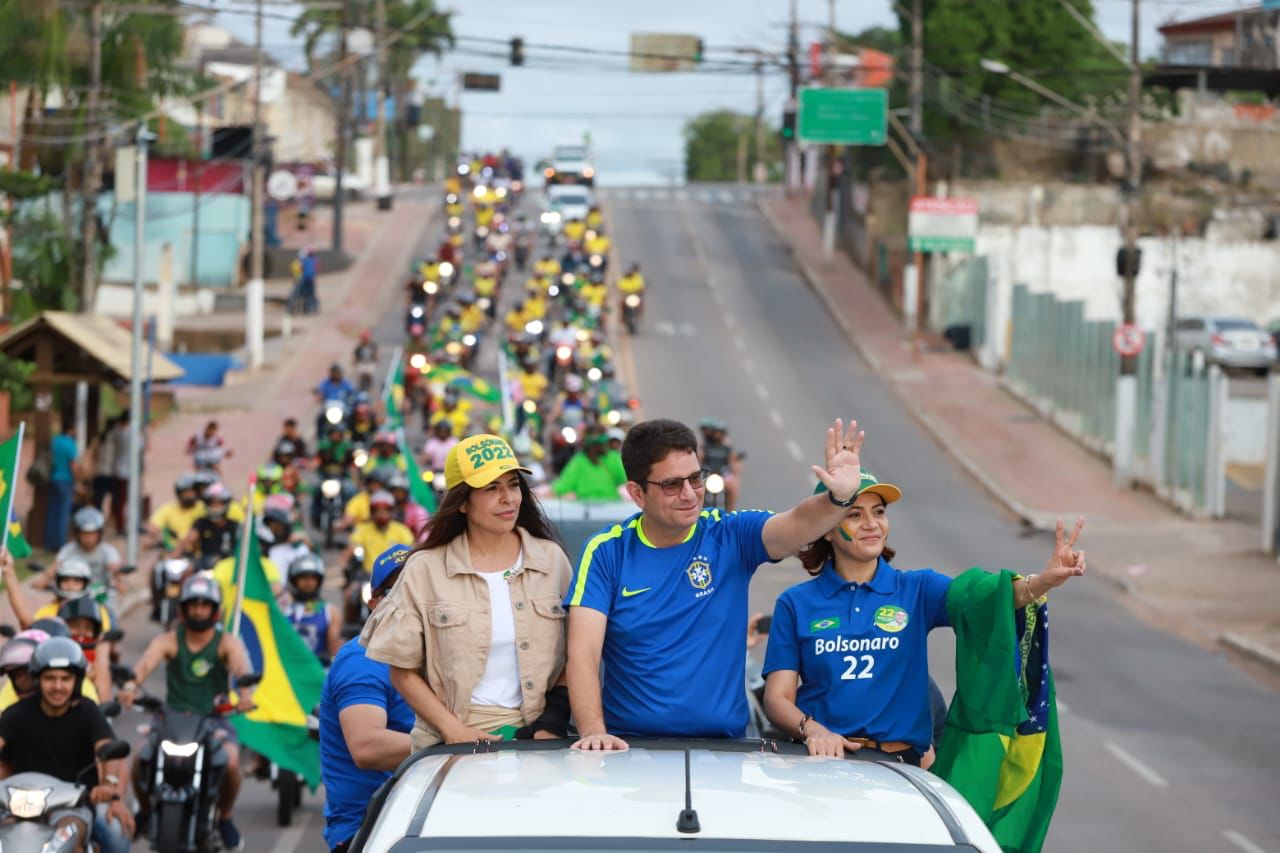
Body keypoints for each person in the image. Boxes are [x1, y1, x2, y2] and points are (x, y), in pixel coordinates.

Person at [564, 418, 868, 749]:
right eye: (671, 484)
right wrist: (594, 732)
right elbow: (583, 653)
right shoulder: (607, 551)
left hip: (724, 750)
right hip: (631, 749)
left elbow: (796, 524)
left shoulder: (730, 534)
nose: (689, 494)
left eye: (695, 479)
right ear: (638, 493)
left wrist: (839, 498)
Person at [761, 477, 1086, 767]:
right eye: (855, 514)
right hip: (820, 763)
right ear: (827, 529)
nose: (872, 524)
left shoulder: (917, 588)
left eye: (879, 512)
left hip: (898, 766)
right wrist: (814, 730)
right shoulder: (796, 603)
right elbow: (777, 699)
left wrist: (1043, 581)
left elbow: (983, 596)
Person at [361, 434, 573, 749]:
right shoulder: (425, 569)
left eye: (513, 485)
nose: (508, 498)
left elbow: (577, 654)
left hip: (539, 742)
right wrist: (453, 730)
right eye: (491, 488)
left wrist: (550, 725)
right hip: (452, 745)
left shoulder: (551, 560)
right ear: (461, 502)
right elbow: (402, 671)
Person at [120, 575, 256, 850]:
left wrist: (244, 696)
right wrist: (131, 686)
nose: (198, 610)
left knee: (231, 763)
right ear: (182, 608)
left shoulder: (225, 642)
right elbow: (146, 663)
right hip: (171, 717)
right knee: (139, 756)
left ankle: (225, 818)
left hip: (213, 718)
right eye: (192, 604)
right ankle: (145, 812)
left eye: (204, 605)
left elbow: (242, 669)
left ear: (214, 609)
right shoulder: (169, 640)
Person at [319, 546, 415, 853]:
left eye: (417, 586)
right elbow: (367, 747)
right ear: (374, 604)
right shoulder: (363, 658)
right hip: (369, 830)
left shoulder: (434, 655)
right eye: (394, 590)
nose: (408, 599)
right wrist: (459, 742)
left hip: (421, 817)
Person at [0, 636, 135, 853]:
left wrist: (108, 784)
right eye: (50, 678)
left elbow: (107, 748)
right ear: (37, 680)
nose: (58, 686)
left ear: (77, 681)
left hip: (72, 806)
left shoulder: (88, 711)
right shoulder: (16, 713)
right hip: (18, 806)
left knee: (79, 836)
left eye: (65, 678)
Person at [48, 506, 124, 604]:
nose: (88, 538)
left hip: (100, 597)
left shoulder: (108, 551)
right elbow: (54, 568)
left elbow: (115, 568)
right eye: (85, 534)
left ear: (99, 534)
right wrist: (45, 578)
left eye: (92, 534)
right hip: (72, 595)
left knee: (110, 615)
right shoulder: (68, 550)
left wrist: (118, 578)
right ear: (78, 534)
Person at [283, 553, 342, 663]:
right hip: (287, 669)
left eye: (312, 578)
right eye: (303, 577)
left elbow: (333, 646)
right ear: (294, 580)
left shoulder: (330, 611)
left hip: (318, 670)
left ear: (318, 581)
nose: (308, 582)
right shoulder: (283, 609)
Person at [58, 595, 116, 701]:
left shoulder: (98, 653)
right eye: (75, 625)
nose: (81, 632)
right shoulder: (55, 652)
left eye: (88, 627)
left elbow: (104, 696)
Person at [341, 491, 413, 575]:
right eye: (377, 511)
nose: (381, 514)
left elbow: (410, 550)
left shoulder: (401, 530)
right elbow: (351, 547)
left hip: (395, 577)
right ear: (372, 512)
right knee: (351, 587)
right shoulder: (363, 529)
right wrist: (343, 563)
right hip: (368, 576)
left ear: (391, 511)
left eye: (385, 510)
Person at [177, 482, 241, 571]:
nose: (215, 507)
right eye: (212, 503)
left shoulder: (235, 526)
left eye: (219, 504)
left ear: (226, 504)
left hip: (229, 566)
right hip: (206, 565)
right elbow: (189, 539)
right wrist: (175, 554)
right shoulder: (201, 522)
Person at [550, 433, 627, 502]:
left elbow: (564, 486)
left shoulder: (579, 460)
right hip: (612, 504)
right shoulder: (613, 457)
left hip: (586, 507)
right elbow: (624, 478)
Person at [45, 416, 79, 552]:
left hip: (53, 479)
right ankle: (60, 544)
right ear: (72, 429)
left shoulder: (55, 441)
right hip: (65, 481)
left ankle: (49, 542)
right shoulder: (70, 444)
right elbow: (73, 465)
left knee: (52, 512)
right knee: (63, 513)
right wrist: (78, 481)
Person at [147, 473, 205, 549]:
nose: (189, 495)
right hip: (172, 551)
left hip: (197, 553)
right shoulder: (168, 509)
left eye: (192, 492)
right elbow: (154, 526)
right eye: (185, 492)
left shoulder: (203, 508)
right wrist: (155, 534)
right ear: (179, 493)